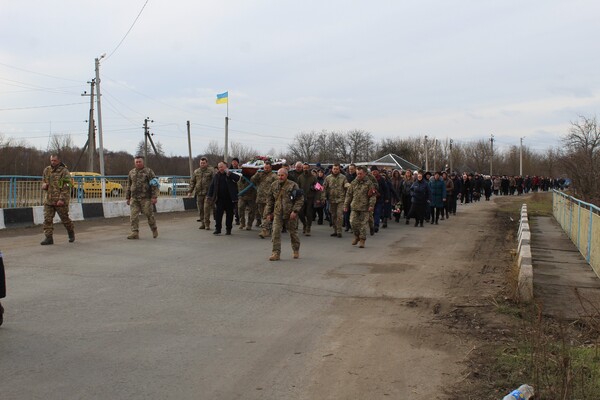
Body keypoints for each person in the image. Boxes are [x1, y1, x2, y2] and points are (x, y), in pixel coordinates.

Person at [264, 168, 304, 261]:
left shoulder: (293, 185)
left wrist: (295, 211)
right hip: (278, 213)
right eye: (279, 175)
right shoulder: (274, 185)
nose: (280, 177)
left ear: (286, 175)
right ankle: (276, 253)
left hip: (290, 213)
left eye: (282, 175)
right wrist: (268, 213)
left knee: (293, 233)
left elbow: (300, 199)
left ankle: (296, 250)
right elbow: (270, 200)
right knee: (275, 232)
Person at [40, 154, 75, 245]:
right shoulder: (47, 170)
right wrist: (44, 185)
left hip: (60, 200)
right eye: (51, 160)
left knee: (64, 219)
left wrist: (62, 199)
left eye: (54, 160)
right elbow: (44, 181)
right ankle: (48, 237)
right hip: (49, 200)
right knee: (47, 219)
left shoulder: (64, 171)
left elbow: (67, 186)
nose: (52, 162)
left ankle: (71, 232)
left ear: (59, 161)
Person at [126, 156, 159, 239]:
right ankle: (135, 232)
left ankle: (154, 229)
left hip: (146, 198)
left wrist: (154, 197)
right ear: (134, 163)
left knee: (149, 214)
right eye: (136, 162)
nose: (138, 163)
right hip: (134, 198)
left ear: (143, 162)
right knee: (133, 216)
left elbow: (154, 185)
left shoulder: (149, 172)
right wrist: (128, 197)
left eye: (139, 161)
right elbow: (129, 185)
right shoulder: (131, 172)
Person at [344, 166, 376, 248]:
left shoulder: (369, 183)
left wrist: (371, 205)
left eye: (360, 174)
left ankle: (362, 240)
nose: (359, 175)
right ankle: (357, 236)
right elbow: (348, 195)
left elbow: (373, 196)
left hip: (365, 207)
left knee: (363, 225)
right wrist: (346, 205)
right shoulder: (353, 183)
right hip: (354, 206)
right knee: (352, 222)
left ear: (365, 173)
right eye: (357, 173)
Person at [207, 161, 240, 235]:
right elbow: (212, 186)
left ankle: (228, 229)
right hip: (219, 199)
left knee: (229, 215)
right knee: (218, 215)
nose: (220, 168)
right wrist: (209, 196)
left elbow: (238, 178)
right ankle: (218, 229)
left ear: (226, 167)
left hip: (229, 198)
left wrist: (229, 173)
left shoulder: (230, 174)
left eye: (221, 167)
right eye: (219, 167)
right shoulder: (216, 175)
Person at [251, 161, 277, 238]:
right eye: (265, 168)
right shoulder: (260, 174)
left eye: (267, 168)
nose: (266, 169)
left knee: (266, 215)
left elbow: (278, 184)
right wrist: (257, 173)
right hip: (260, 198)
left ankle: (264, 231)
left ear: (271, 168)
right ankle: (269, 228)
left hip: (269, 199)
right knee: (263, 215)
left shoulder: (273, 176)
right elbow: (252, 180)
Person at [188, 157, 214, 230]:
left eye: (204, 163)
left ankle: (207, 224)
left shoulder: (210, 171)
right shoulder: (196, 171)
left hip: (207, 193)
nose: (202, 164)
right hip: (199, 193)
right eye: (201, 163)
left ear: (206, 163)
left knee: (206, 208)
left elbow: (214, 181)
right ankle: (202, 223)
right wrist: (190, 191)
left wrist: (214, 192)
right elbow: (192, 182)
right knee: (200, 209)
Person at [324, 163, 348, 238]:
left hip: (341, 199)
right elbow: (324, 188)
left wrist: (348, 186)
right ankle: (335, 230)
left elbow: (346, 185)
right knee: (333, 216)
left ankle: (339, 231)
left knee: (339, 215)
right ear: (332, 169)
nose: (335, 170)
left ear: (339, 169)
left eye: (337, 169)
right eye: (334, 169)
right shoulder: (328, 178)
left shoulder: (343, 177)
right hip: (331, 200)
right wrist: (323, 197)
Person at [297, 162, 318, 236]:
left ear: (309, 168)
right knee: (300, 212)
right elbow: (297, 188)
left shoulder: (313, 177)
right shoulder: (300, 177)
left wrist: (316, 197)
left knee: (309, 213)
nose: (305, 169)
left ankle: (308, 227)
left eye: (307, 168)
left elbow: (318, 188)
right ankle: (304, 224)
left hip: (310, 197)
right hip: (302, 198)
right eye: (304, 168)